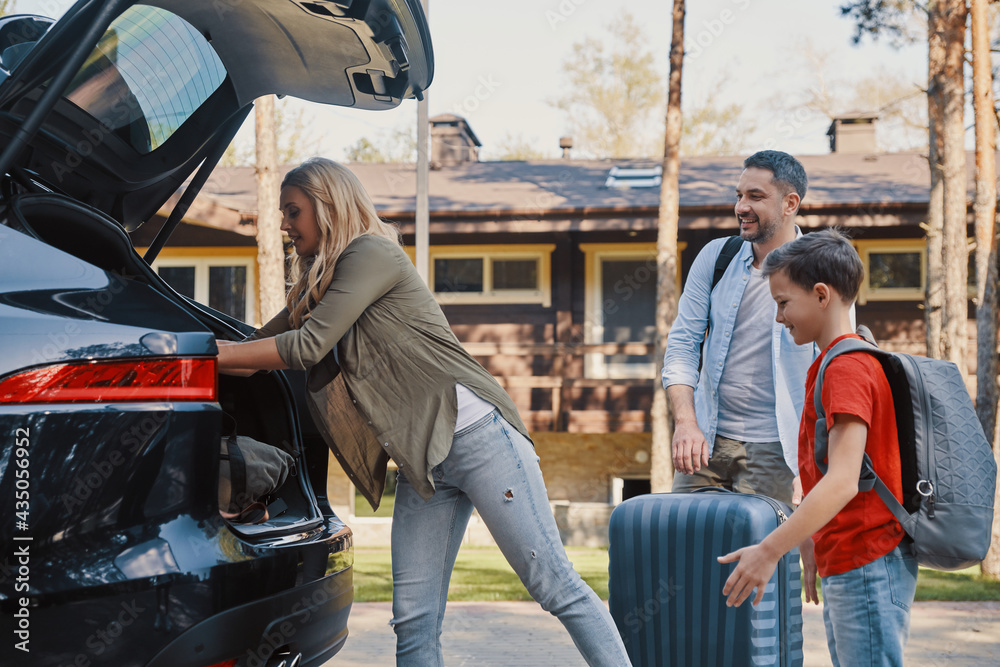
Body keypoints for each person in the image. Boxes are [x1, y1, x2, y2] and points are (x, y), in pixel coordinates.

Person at [215, 158, 632, 667]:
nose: (283, 223)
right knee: (413, 617)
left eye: (293, 211)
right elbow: (257, 350)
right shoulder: (319, 285)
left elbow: (305, 346)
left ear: (328, 208)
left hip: (476, 436)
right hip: (420, 459)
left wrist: (213, 355)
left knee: (554, 584)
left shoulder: (370, 254)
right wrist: (186, 358)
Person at [718, 229, 916, 667]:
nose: (778, 317)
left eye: (783, 303)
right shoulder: (834, 361)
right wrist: (811, 540)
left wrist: (769, 550)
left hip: (866, 555)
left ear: (822, 295)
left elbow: (844, 480)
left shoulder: (847, 368)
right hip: (849, 556)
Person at [661, 150, 815, 506]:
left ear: (790, 203)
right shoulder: (716, 257)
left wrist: (815, 457)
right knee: (684, 549)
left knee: (767, 557)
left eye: (755, 197)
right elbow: (683, 344)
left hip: (779, 449)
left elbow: (834, 365)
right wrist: (686, 422)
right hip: (705, 440)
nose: (741, 207)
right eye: (739, 195)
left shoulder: (821, 266)